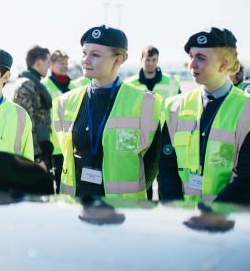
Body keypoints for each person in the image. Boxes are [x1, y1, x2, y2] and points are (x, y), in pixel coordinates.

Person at [52, 25, 162, 199]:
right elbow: (63, 158)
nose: (85, 60)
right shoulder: (65, 102)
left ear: (117, 60)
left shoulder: (145, 103)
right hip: (76, 205)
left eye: (95, 55)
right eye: (84, 53)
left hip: (122, 209)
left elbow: (152, 162)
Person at [158, 27, 250, 205]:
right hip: (184, 220)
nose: (192, 64)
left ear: (224, 65)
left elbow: (246, 176)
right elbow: (166, 168)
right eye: (191, 57)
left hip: (229, 222)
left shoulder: (246, 108)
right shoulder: (174, 107)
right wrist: (176, 209)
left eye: (201, 58)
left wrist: (212, 214)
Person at [125, 45, 181, 200]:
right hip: (140, 137)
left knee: (165, 177)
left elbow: (179, 109)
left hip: (165, 135)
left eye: (153, 60)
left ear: (158, 60)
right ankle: (145, 210)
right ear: (141, 60)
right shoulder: (130, 84)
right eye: (147, 59)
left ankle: (165, 212)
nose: (150, 63)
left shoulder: (172, 82)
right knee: (143, 178)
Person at [13, 45, 54, 178]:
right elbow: (25, 124)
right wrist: (37, 157)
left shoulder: (35, 83)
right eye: (48, 62)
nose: (49, 66)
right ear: (39, 62)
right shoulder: (26, 85)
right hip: (35, 151)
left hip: (42, 146)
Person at [42, 50, 75, 192]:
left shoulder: (74, 87)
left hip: (72, 144)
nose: (65, 66)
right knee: (55, 185)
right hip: (53, 145)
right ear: (51, 64)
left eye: (66, 63)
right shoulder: (43, 86)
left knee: (71, 185)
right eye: (61, 63)